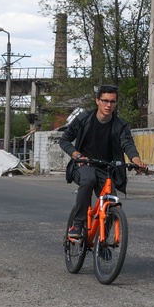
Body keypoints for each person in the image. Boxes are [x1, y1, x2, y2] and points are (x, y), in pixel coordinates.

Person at [59, 85, 146, 239]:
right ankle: (78, 224)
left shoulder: (120, 125)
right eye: (105, 101)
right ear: (97, 101)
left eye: (112, 102)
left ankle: (102, 242)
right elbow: (64, 140)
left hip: (106, 168)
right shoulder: (83, 119)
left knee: (111, 201)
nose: (108, 105)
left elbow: (128, 144)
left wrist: (137, 161)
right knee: (88, 180)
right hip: (84, 165)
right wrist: (77, 155)